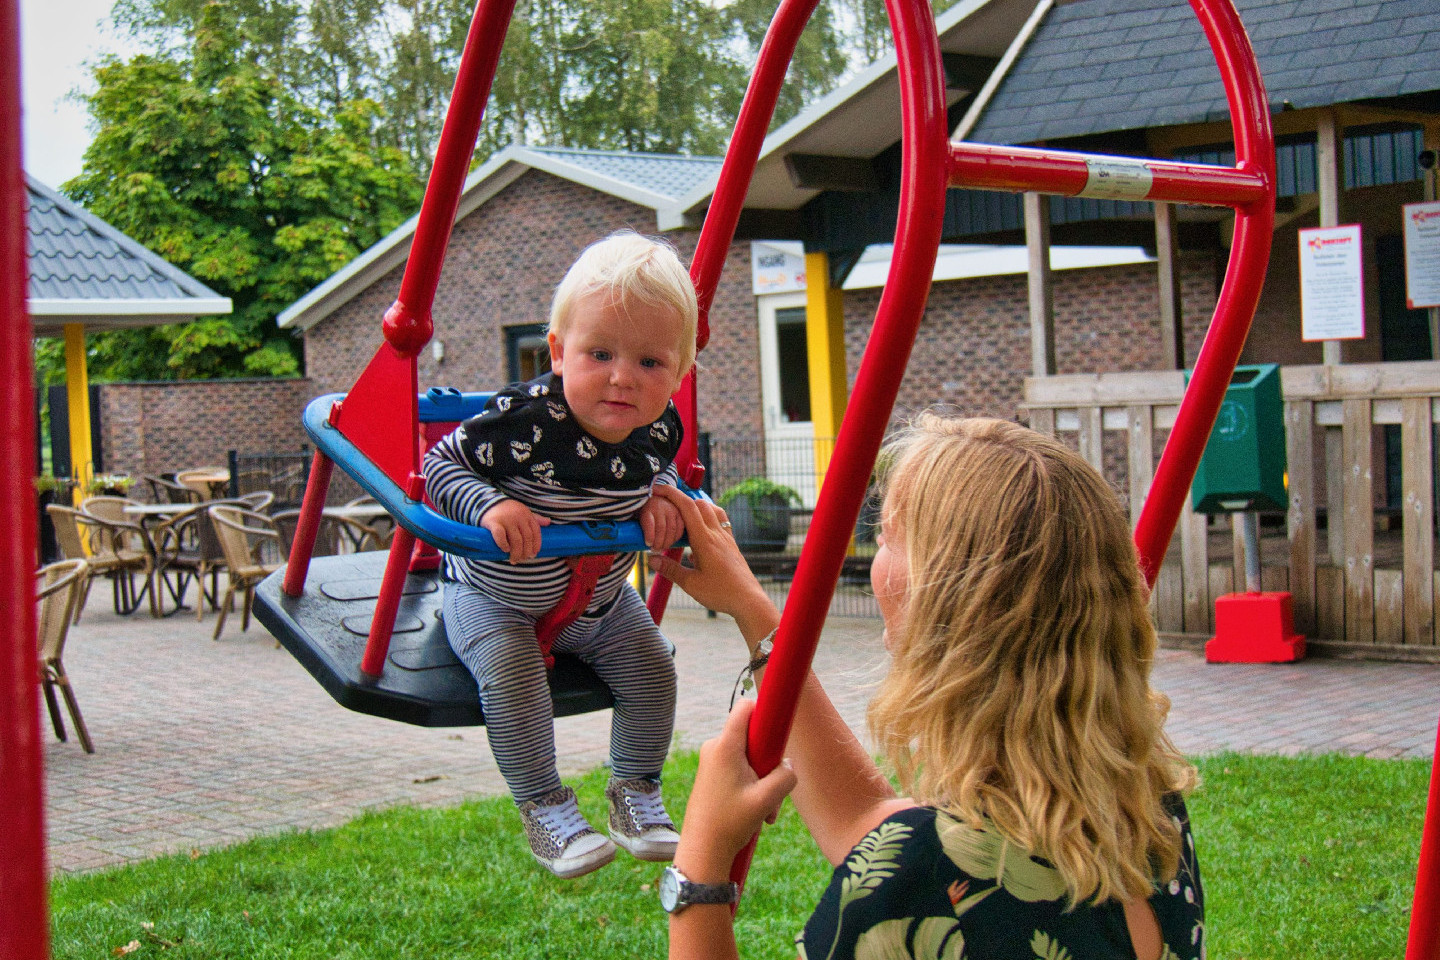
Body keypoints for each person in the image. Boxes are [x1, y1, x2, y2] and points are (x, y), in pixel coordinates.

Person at [649, 415, 1204, 960]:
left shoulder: (919, 882)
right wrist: (753, 607)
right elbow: (867, 824)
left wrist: (700, 863)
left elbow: (906, 861)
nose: (875, 559)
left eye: (886, 537)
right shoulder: (1142, 812)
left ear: (952, 602)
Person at [423, 231, 696, 879]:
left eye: (651, 363)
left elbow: (659, 470)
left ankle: (635, 793)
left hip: (597, 602)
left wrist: (663, 493)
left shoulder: (659, 424)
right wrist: (489, 507)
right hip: (495, 597)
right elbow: (440, 466)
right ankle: (545, 807)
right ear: (557, 351)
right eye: (599, 353)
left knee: (655, 667)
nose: (623, 377)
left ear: (679, 371)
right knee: (514, 679)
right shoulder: (523, 420)